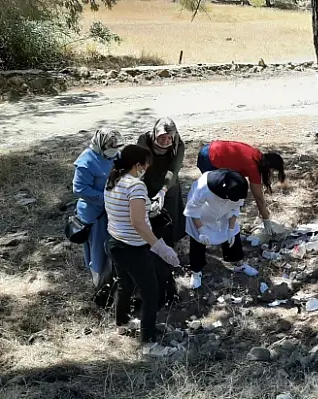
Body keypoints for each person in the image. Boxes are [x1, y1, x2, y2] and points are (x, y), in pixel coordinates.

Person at [104, 144, 181, 357]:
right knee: (150, 291)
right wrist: (160, 247)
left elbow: (127, 211)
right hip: (132, 247)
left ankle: (122, 324)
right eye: (146, 165)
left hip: (115, 242)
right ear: (137, 165)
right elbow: (138, 222)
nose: (147, 168)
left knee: (125, 285)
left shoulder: (113, 179)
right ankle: (148, 344)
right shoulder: (136, 186)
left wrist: (149, 207)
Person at [137, 117, 185, 305]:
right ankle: (150, 249)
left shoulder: (179, 146)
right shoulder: (144, 140)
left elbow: (174, 168)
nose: (165, 142)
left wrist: (163, 191)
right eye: (161, 137)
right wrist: (139, 187)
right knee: (148, 219)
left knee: (169, 220)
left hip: (169, 186)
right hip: (147, 182)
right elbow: (140, 164)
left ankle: (168, 256)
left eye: (169, 138)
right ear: (155, 134)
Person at [184, 169, 257, 288]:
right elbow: (193, 210)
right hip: (202, 217)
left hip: (223, 215)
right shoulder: (202, 187)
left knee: (234, 236)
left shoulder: (238, 188)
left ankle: (239, 264)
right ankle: (196, 272)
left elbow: (235, 209)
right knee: (198, 241)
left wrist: (231, 230)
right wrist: (201, 231)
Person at [196, 141, 286, 236]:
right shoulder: (253, 167)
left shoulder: (257, 155)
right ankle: (208, 227)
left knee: (224, 195)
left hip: (210, 148)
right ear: (268, 166)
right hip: (210, 158)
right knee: (217, 195)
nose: (271, 173)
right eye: (272, 170)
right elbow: (258, 198)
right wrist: (266, 221)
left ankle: (221, 226)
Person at [72, 128, 123, 286]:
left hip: (113, 209)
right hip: (94, 213)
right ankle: (99, 284)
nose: (114, 149)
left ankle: (113, 277)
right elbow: (79, 189)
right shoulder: (86, 162)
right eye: (110, 146)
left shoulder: (116, 155)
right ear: (101, 145)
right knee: (98, 248)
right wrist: (106, 198)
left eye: (116, 146)